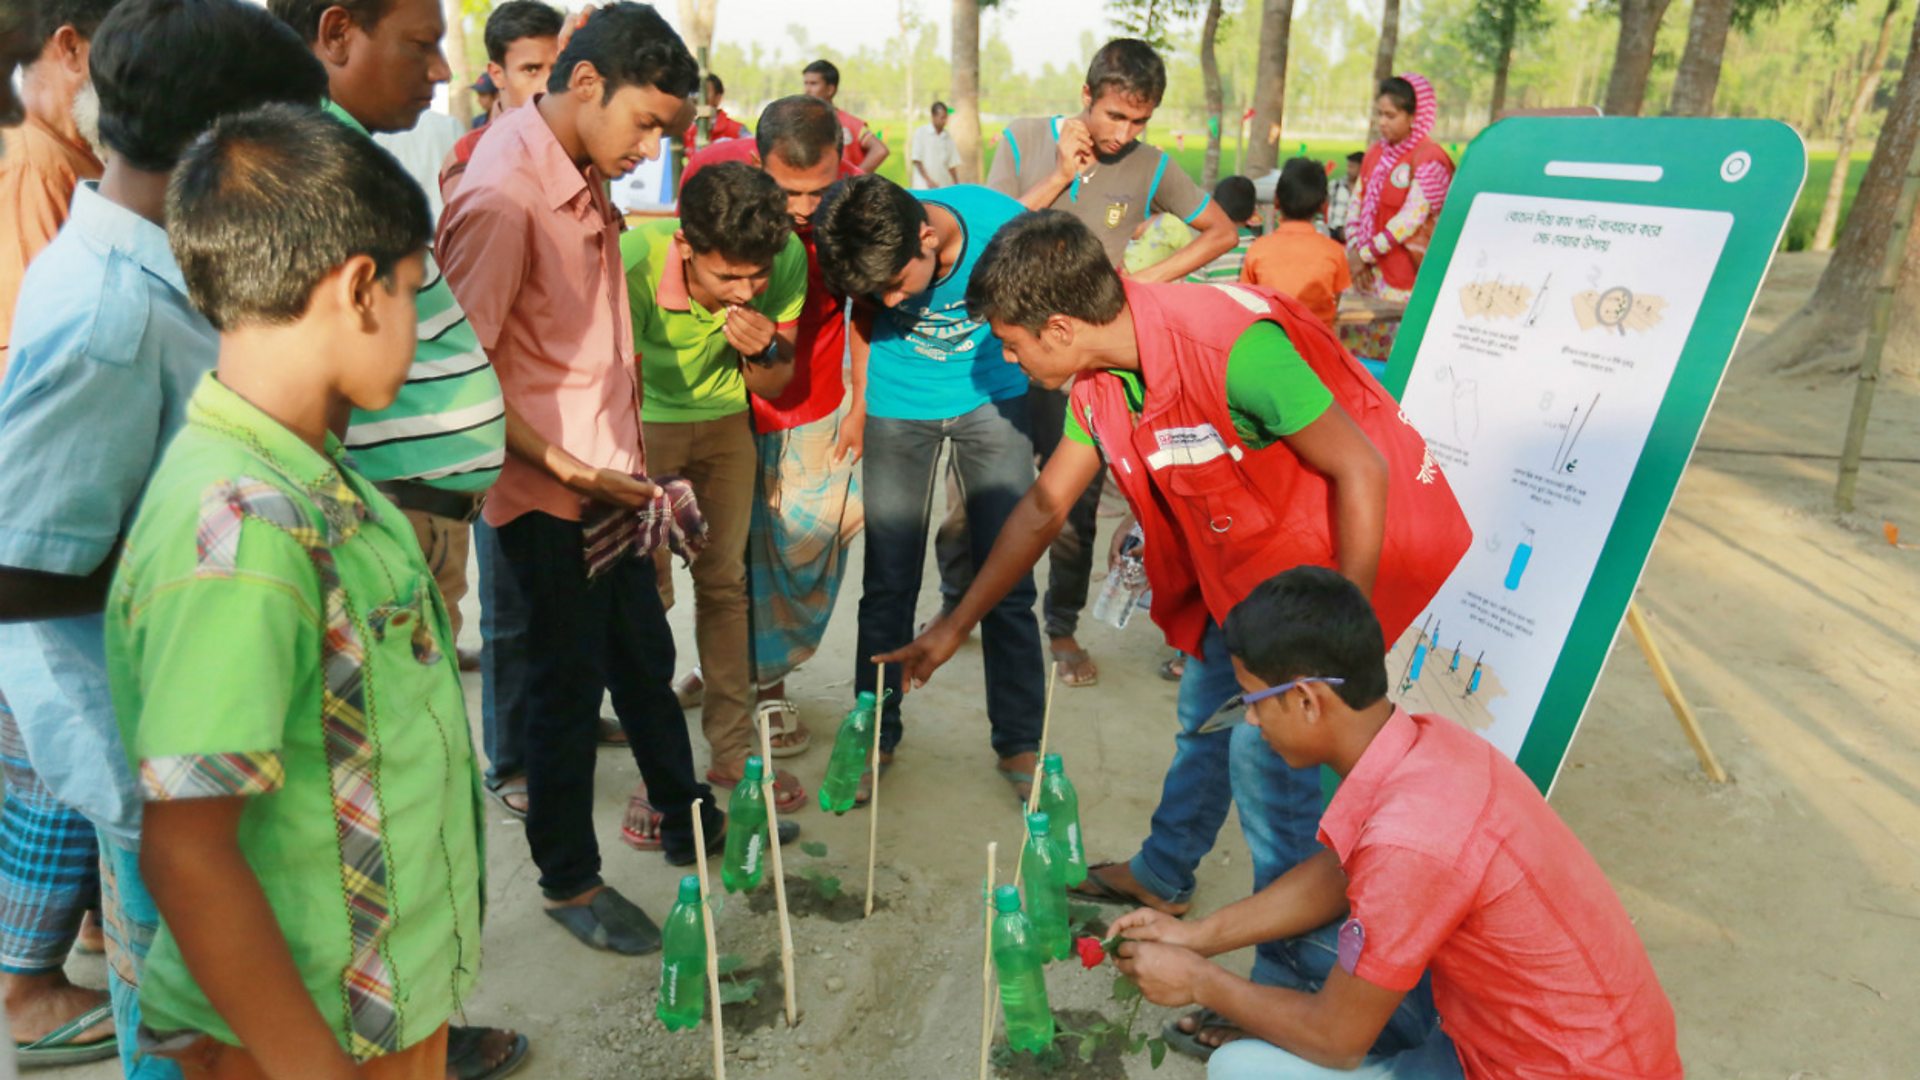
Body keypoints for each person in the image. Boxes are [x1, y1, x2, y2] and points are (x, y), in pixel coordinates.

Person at [882, 211, 1470, 959]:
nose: (1008, 356)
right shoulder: (1098, 381)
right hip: (1237, 580)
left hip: (1308, 594)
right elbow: (1043, 506)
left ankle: (1296, 979)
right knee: (1203, 725)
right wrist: (954, 623)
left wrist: (1337, 635)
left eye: (1010, 340)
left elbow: (1361, 468)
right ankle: (1164, 873)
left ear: (1059, 328)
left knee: (1274, 790)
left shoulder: (1232, 351)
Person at [107, 101, 481, 1080]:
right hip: (303, 1042)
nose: (418, 325)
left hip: (375, 1010)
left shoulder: (326, 485)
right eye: (413, 293)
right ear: (360, 290)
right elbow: (190, 852)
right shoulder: (245, 531)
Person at [0, 6, 333, 1076]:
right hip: (154, 749)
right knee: (195, 1029)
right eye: (293, 145)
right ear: (218, 147)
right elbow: (20, 567)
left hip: (200, 727)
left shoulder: (158, 261)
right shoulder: (110, 317)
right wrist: (209, 555)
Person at [1110, 567, 1684, 1078]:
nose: (1252, 721)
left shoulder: (1412, 840)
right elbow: (1342, 874)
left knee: (1239, 1068)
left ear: (1308, 701)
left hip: (1557, 1068)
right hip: (1575, 1043)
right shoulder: (1429, 744)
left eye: (1254, 700)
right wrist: (1197, 938)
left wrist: (1199, 980)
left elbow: (1336, 1042)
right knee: (1316, 950)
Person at [436, 1, 726, 956]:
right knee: (561, 692)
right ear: (588, 83)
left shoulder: (579, 168)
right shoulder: (502, 194)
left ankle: (688, 816)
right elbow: (461, 372)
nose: (651, 149)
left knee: (642, 656)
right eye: (647, 123)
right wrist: (562, 463)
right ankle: (568, 879)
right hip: (549, 496)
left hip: (609, 483)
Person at [269, 0, 525, 1071]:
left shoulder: (343, 156)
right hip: (381, 512)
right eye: (420, 43)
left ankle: (413, 1013)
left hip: (411, 511)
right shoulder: (298, 172)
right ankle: (391, 1029)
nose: (440, 68)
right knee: (373, 782)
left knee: (412, 765)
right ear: (336, 32)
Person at [957, 38, 1242, 692]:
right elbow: (987, 234)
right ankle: (960, 598)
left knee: (1075, 504)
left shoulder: (1152, 165)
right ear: (1086, 97)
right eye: (1116, 116)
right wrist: (1059, 173)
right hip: (1004, 354)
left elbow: (1222, 233)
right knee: (978, 495)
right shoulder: (1025, 139)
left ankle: (1060, 625)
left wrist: (1142, 286)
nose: (1126, 133)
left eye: (1140, 121)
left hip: (1083, 365)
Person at [812, 173, 1047, 803]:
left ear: (926, 238)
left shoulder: (1001, 225)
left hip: (992, 401)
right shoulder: (872, 262)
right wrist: (861, 403)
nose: (890, 302)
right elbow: (865, 316)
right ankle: (874, 731)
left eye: (896, 284)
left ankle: (1020, 741)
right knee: (887, 582)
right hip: (898, 406)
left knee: (1009, 577)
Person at [674, 95, 864, 770]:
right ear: (756, 164)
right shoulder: (714, 181)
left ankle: (771, 683)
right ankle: (734, 676)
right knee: (727, 556)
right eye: (790, 192)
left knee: (794, 547)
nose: (807, 210)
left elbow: (871, 306)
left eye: (821, 189)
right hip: (723, 403)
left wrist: (862, 404)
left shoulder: (856, 208)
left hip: (812, 401)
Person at [622, 160, 808, 813]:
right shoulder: (633, 265)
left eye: (756, 274)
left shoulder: (781, 261)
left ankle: (732, 753)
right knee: (642, 598)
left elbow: (774, 385)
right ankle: (659, 769)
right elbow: (613, 383)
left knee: (724, 585)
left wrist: (760, 352)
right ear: (685, 246)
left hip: (726, 426)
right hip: (641, 426)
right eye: (727, 275)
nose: (745, 289)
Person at [0, 0, 114, 378]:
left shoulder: (75, 154)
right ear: (70, 48)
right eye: (120, 47)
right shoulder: (33, 163)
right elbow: (26, 349)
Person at [1348, 75, 1454, 303]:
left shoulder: (1429, 159)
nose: (1382, 122)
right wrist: (1354, 249)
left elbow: (1409, 220)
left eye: (1391, 116)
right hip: (1364, 276)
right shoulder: (1375, 153)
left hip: (1403, 280)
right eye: (1380, 114)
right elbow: (1357, 202)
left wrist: (1363, 255)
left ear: (1414, 116)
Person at [1243, 157, 1352, 331]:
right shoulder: (1334, 252)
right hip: (1318, 347)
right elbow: (1336, 300)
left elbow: (1248, 301)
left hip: (1272, 343)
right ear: (1323, 206)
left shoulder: (1258, 249)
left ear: (1276, 201)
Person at [802, 58, 887, 174]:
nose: (807, 90)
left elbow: (880, 150)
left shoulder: (850, 124)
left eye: (813, 84)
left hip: (842, 190)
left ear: (830, 89)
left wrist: (854, 179)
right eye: (805, 83)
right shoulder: (800, 122)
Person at [1186, 174, 1258, 284]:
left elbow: (1191, 291)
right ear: (1253, 211)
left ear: (1216, 207)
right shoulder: (1260, 248)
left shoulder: (1205, 249)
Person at [683, 72, 744, 147]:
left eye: (704, 92)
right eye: (695, 92)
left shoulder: (737, 130)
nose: (698, 97)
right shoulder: (683, 132)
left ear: (718, 98)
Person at [908, 100, 958, 190]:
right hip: (923, 186)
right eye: (942, 118)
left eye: (946, 118)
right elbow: (917, 160)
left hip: (943, 186)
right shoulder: (921, 133)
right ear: (933, 117)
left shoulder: (947, 137)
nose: (945, 121)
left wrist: (957, 185)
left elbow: (952, 164)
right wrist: (928, 180)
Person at [1326, 150, 1362, 243]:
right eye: (1348, 166)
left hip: (1355, 237)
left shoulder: (1368, 190)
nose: (1348, 170)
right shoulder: (1336, 185)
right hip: (1333, 233)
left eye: (1352, 167)